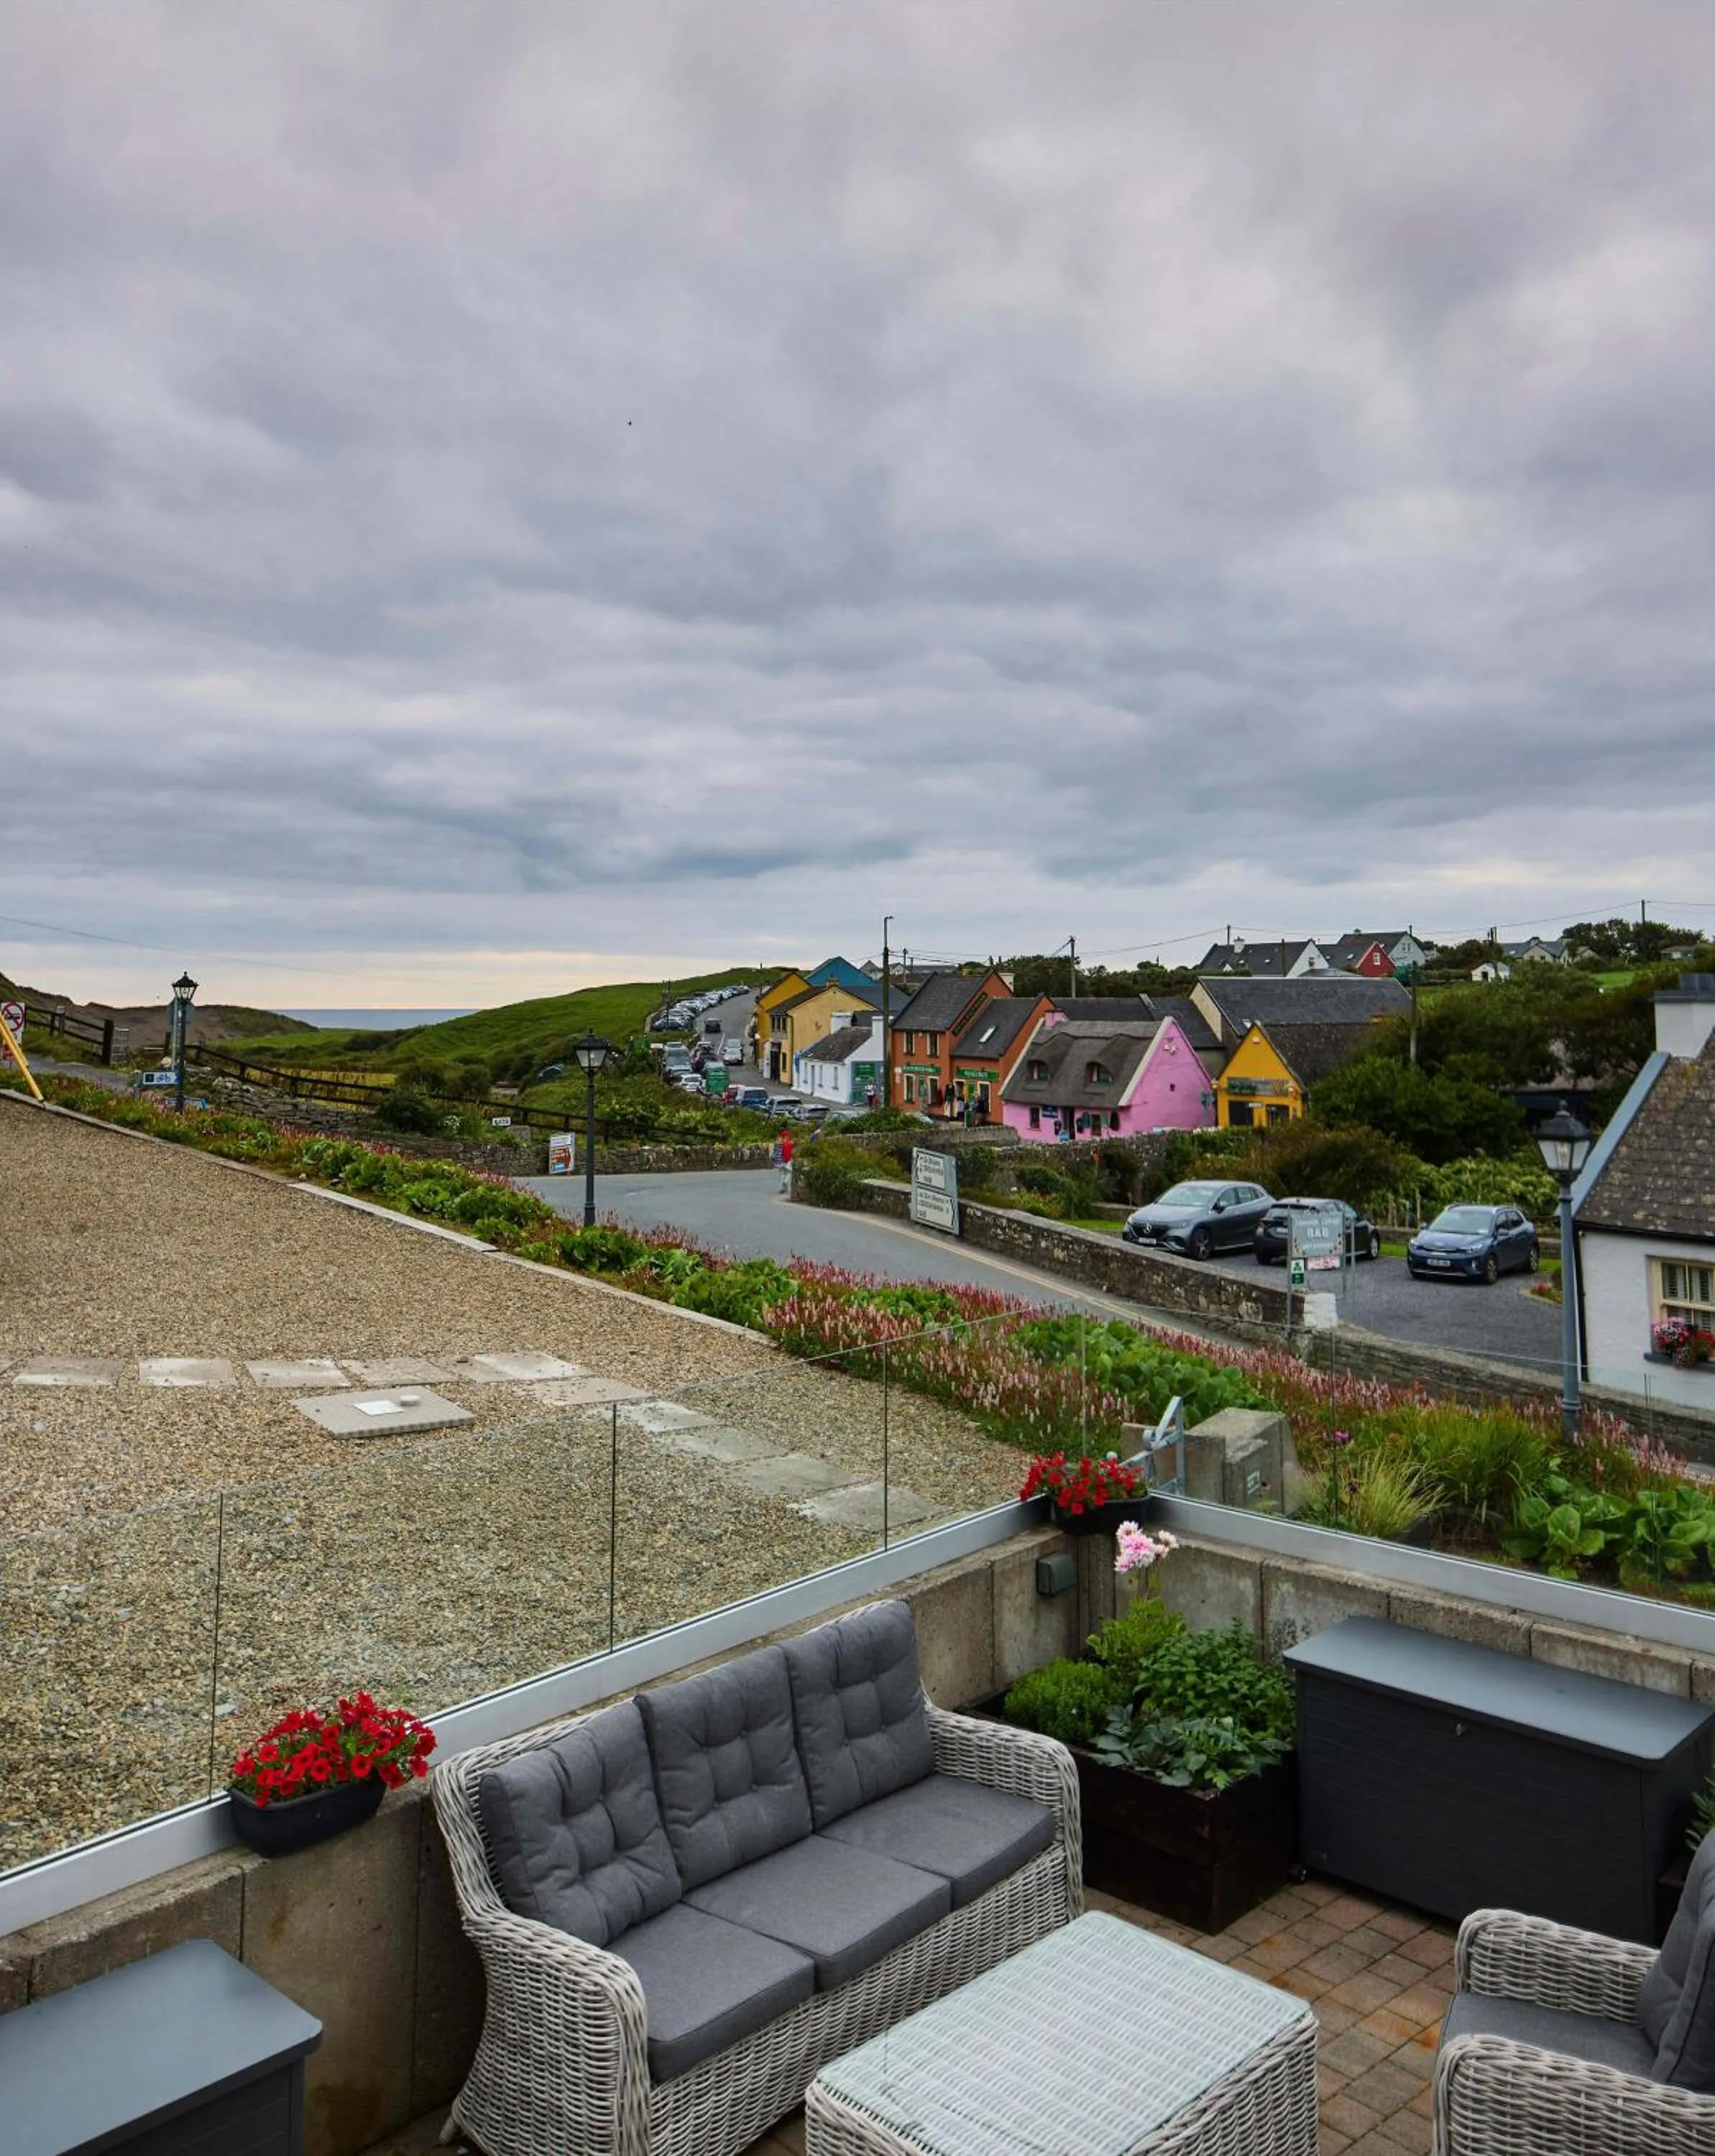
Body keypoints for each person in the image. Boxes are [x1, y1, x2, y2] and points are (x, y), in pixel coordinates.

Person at [776, 1125, 794, 1193]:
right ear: (787, 1136)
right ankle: (785, 1182)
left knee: (782, 1174)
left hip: (780, 1161)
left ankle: (782, 1188)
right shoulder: (789, 1143)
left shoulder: (779, 1143)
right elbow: (788, 1153)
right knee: (789, 1173)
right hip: (787, 1160)